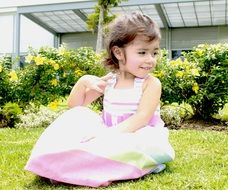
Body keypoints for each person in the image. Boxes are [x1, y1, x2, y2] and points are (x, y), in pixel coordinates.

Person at [25, 12, 175, 188]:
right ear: (118, 52)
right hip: (107, 132)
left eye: (154, 53)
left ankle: (83, 167)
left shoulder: (150, 83)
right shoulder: (110, 80)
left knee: (132, 147)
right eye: (142, 52)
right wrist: (83, 82)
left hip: (137, 134)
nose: (150, 60)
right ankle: (59, 159)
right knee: (76, 117)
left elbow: (140, 119)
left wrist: (108, 136)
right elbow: (76, 107)